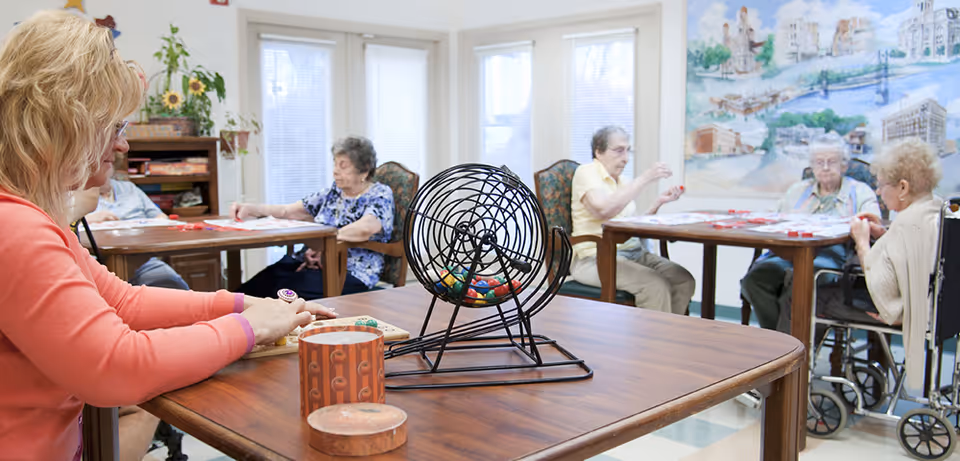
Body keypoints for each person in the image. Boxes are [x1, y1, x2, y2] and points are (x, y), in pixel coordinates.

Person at [0, 11, 336, 460]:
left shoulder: (30, 218)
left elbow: (124, 303)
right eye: (116, 126)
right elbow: (116, 366)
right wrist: (249, 327)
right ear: (68, 121)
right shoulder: (16, 228)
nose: (123, 145)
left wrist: (243, 303)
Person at [817, 138, 942, 391]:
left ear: (903, 188)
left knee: (808, 296)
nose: (878, 192)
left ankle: (788, 378)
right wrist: (881, 236)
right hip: (934, 309)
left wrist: (862, 242)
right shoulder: (934, 210)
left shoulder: (907, 222)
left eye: (882, 185)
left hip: (903, 314)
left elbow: (881, 289)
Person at [740, 132, 880, 332]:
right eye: (819, 162)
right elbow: (773, 217)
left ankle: (789, 352)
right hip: (787, 255)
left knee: (798, 284)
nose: (824, 167)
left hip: (832, 258)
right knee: (755, 280)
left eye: (831, 162)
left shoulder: (860, 192)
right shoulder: (797, 191)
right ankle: (779, 342)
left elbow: (874, 224)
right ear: (811, 166)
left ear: (844, 165)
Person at [232, 136, 395, 300]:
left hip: (350, 270)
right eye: (335, 164)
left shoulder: (379, 194)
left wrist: (324, 244)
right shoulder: (332, 193)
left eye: (343, 166)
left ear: (364, 170)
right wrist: (253, 209)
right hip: (309, 262)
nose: (335, 171)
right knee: (248, 291)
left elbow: (366, 227)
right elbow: (288, 211)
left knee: (279, 294)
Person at [568, 125, 695, 315]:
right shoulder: (587, 172)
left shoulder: (623, 182)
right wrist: (645, 178)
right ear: (598, 151)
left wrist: (658, 202)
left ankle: (668, 334)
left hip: (633, 253)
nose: (626, 158)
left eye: (628, 151)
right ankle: (654, 342)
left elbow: (631, 224)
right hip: (596, 258)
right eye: (619, 150)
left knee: (683, 279)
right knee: (654, 285)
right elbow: (603, 210)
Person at [75, 135, 190, 290]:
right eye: (103, 162)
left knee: (173, 284)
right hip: (98, 262)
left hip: (144, 259)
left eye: (109, 163)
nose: (106, 169)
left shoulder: (129, 188)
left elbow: (160, 217)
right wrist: (90, 218)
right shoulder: (76, 194)